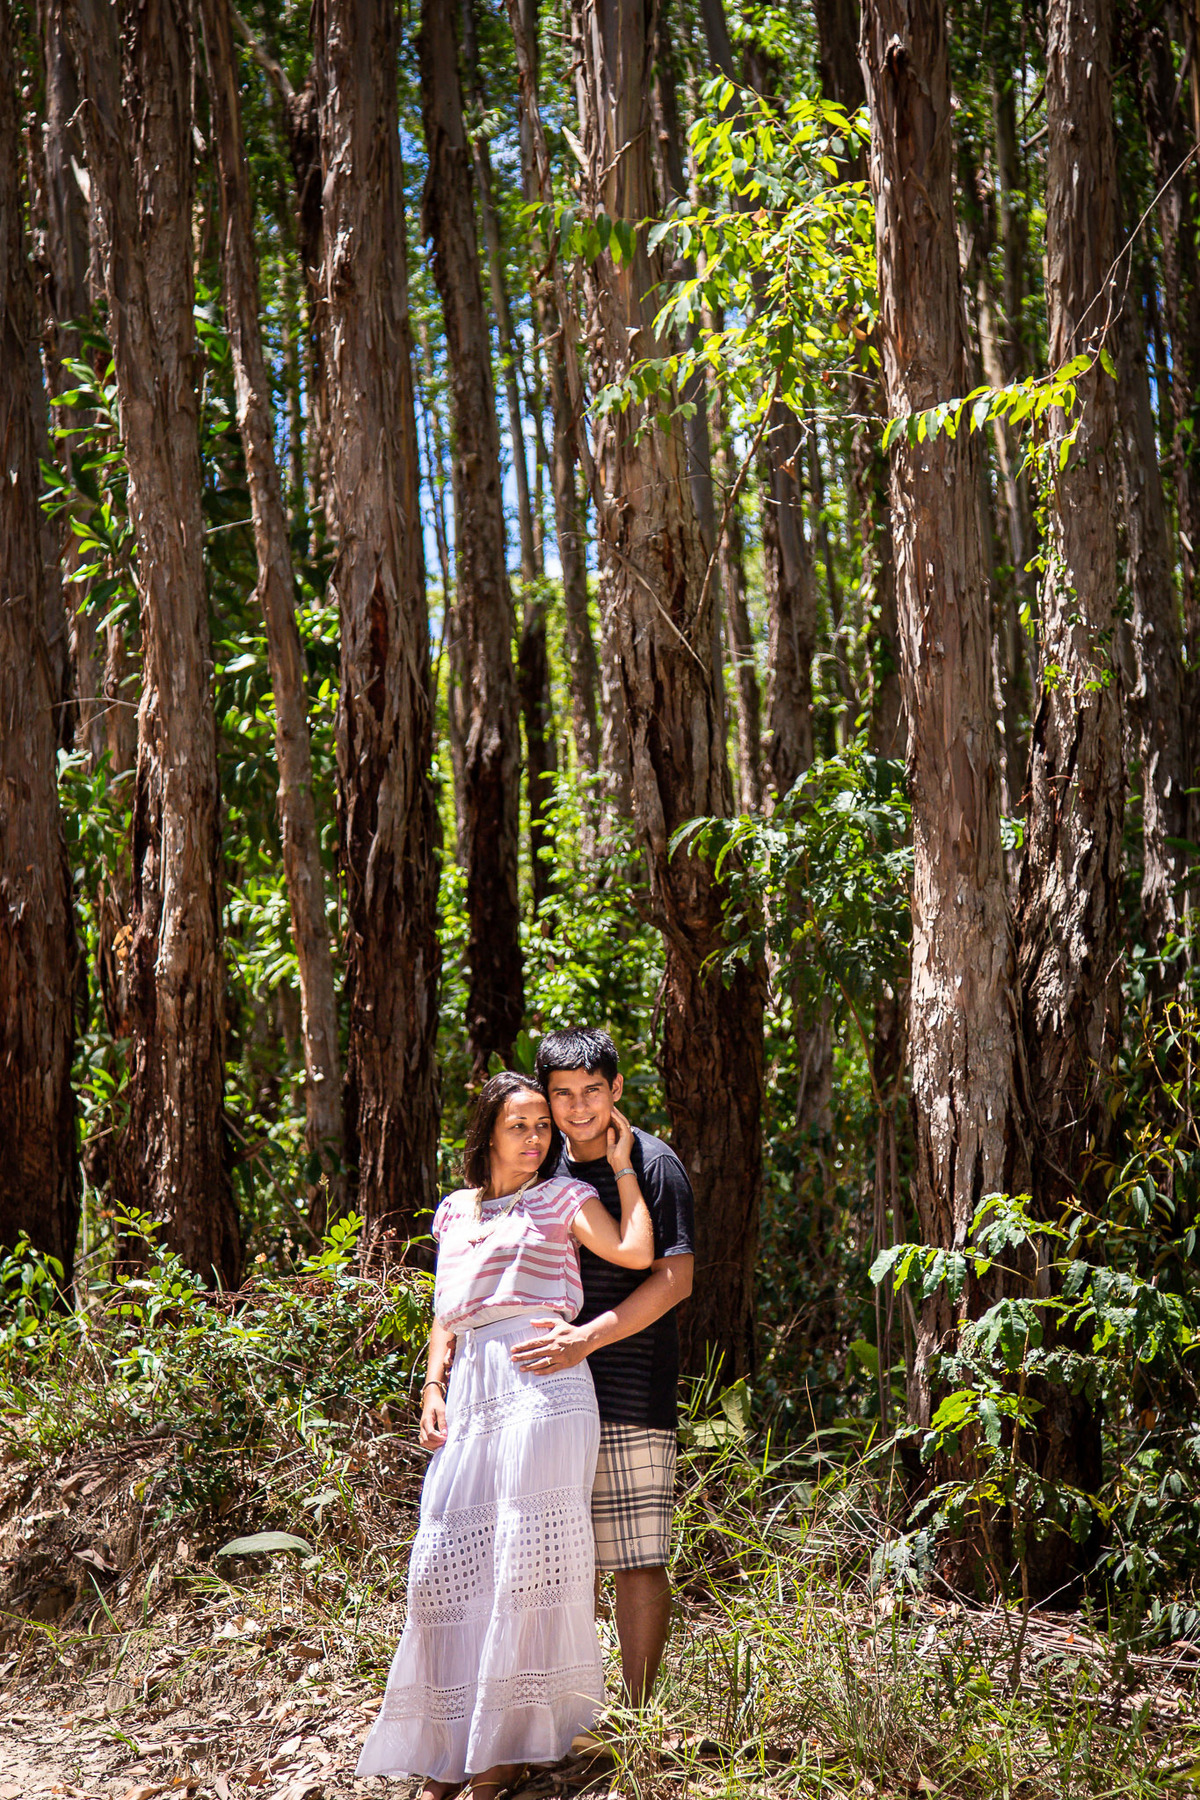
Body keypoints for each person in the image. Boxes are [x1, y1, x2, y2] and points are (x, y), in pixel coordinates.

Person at [356, 1070, 653, 1800]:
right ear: (488, 1131)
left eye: (541, 1127)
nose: (534, 1138)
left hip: (545, 1384)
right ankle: (449, 1746)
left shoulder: (563, 1198)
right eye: (519, 1125)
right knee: (444, 1570)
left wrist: (621, 1168)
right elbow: (444, 1311)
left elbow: (637, 1254)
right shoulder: (455, 1211)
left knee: (526, 1565)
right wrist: (431, 1385)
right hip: (470, 1388)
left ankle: (504, 1753)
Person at [513, 1027, 695, 1706]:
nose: (580, 1107)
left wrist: (585, 1340)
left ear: (617, 1089)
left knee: (636, 1556)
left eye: (593, 1090)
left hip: (626, 1386)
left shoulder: (654, 1164)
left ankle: (639, 1716)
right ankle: (558, 1714)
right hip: (549, 1389)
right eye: (563, 1094)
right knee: (552, 1559)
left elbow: (674, 1280)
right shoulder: (538, 1166)